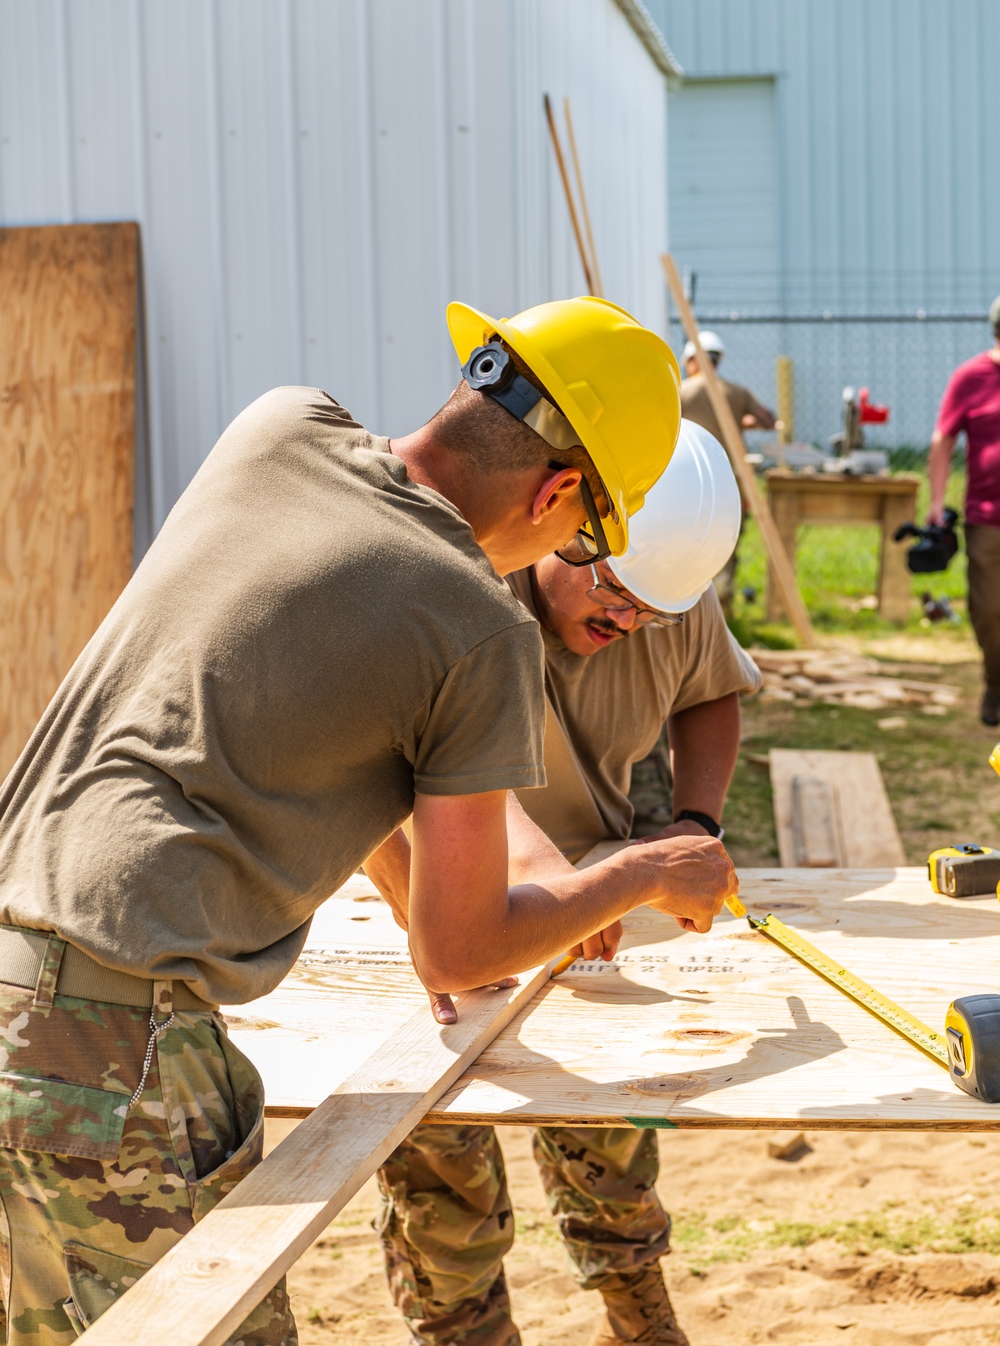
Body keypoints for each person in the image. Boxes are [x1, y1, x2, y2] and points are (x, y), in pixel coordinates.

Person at [0, 294, 740, 1344]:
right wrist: (643, 876)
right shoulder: (476, 627)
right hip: (120, 1046)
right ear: (563, 486)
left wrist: (420, 899)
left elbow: (304, 736)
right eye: (584, 532)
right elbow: (460, 949)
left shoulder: (278, 426)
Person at [376, 422, 759, 1346]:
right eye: (614, 592)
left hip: (597, 903)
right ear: (570, 528)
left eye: (652, 614)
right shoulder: (456, 588)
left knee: (613, 1160)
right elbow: (414, 776)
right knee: (443, 1186)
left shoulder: (666, 587)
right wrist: (563, 886)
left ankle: (640, 1321)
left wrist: (690, 824)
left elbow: (712, 693)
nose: (629, 621)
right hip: (424, 895)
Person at [928, 296, 1000, 726]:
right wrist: (937, 503)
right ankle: (995, 683)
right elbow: (943, 440)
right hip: (987, 517)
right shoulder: (971, 377)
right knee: (989, 608)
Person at [679, 333, 776, 616]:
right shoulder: (736, 392)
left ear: (692, 361)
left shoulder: (682, 390)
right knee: (725, 541)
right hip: (727, 479)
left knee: (688, 539)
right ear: (717, 361)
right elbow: (768, 419)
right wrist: (741, 419)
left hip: (689, 479)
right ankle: (722, 605)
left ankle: (687, 603)